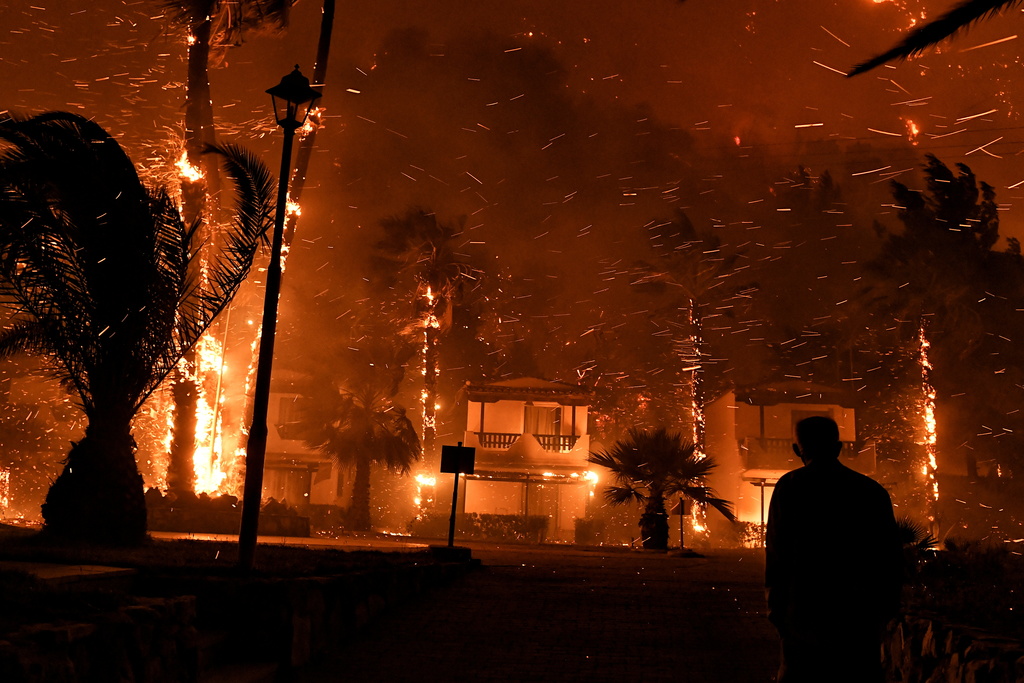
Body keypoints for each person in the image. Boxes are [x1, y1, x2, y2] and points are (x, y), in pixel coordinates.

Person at [765, 416, 903, 683]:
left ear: (797, 450)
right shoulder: (870, 491)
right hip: (857, 619)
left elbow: (777, 555)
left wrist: (778, 613)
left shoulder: (790, 488)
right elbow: (890, 557)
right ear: (838, 448)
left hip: (804, 614)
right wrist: (883, 612)